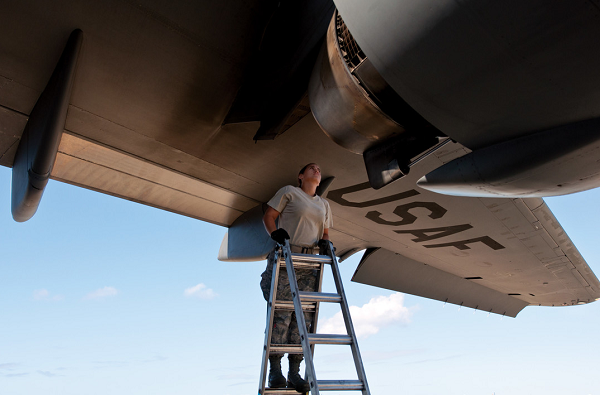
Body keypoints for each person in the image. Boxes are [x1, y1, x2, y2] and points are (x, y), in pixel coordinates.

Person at [260, 163, 333, 393]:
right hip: (287, 258)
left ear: (319, 181)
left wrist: (325, 243)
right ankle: (275, 370)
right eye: (311, 168)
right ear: (301, 176)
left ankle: (294, 372)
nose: (316, 170)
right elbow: (269, 216)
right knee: (282, 314)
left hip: (310, 264)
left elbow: (326, 232)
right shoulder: (290, 192)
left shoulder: (324, 204)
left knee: (303, 318)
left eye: (319, 169)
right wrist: (275, 233)